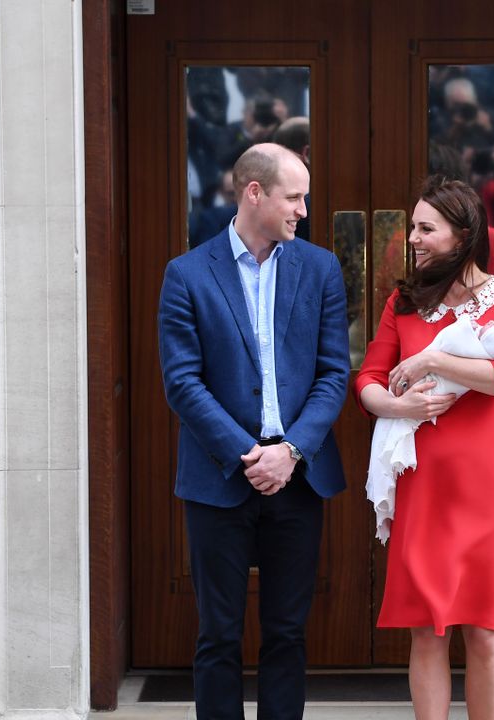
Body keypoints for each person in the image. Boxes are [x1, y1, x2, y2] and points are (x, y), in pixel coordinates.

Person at [158, 142, 349, 720]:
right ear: (254, 193)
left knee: (287, 634)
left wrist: (290, 451)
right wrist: (249, 454)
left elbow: (333, 373)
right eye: (295, 197)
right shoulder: (188, 274)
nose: (304, 210)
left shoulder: (319, 268)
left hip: (298, 477)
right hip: (221, 479)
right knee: (218, 635)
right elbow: (183, 383)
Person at [354, 177, 494, 720]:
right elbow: (368, 380)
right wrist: (398, 407)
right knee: (427, 634)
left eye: (425, 228)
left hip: (486, 490)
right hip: (423, 488)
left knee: (483, 632)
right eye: (413, 226)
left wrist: (432, 361)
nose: (413, 237)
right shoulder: (402, 303)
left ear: (463, 235)